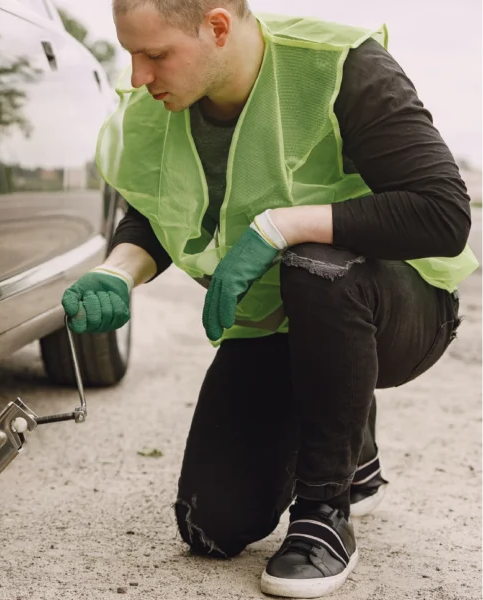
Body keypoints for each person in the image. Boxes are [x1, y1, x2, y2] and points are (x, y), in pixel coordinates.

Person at [62, 1, 477, 597]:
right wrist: (116, 273)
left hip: (396, 307)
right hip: (281, 323)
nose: (137, 77)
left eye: (155, 55)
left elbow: (442, 213)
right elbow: (154, 214)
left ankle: (324, 515)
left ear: (218, 26)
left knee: (316, 264)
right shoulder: (162, 106)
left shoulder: (340, 65)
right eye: (131, 53)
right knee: (212, 526)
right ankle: (347, 427)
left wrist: (283, 225)